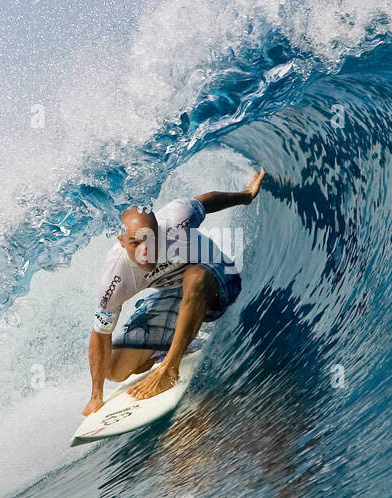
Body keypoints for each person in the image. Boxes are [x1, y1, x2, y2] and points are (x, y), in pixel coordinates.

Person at [83, 170, 265, 415]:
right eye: (136, 243)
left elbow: (205, 202)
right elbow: (100, 335)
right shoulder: (114, 278)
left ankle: (170, 366)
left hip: (220, 282)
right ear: (122, 241)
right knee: (115, 369)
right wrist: (96, 396)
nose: (145, 251)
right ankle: (175, 347)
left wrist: (246, 195)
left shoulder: (178, 219)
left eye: (151, 239)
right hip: (175, 296)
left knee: (195, 276)